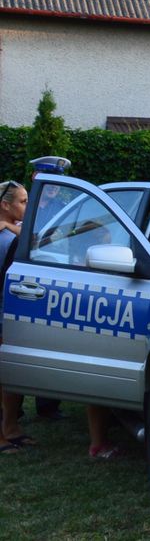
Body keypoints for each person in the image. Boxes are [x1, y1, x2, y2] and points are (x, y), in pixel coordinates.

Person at [0, 180, 37, 453]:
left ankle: (10, 428)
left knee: (12, 376)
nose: (28, 205)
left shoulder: (14, 232)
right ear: (5, 205)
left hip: (12, 314)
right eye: (23, 201)